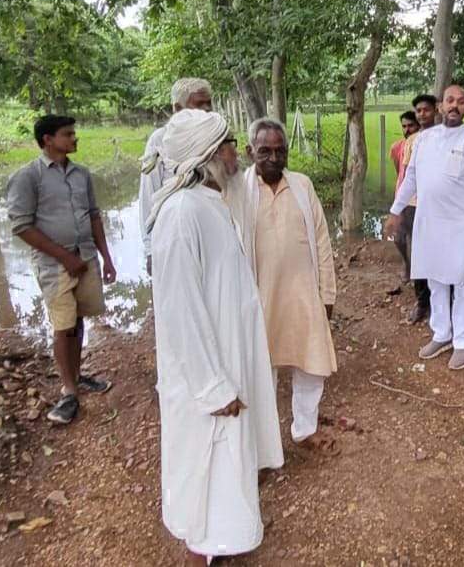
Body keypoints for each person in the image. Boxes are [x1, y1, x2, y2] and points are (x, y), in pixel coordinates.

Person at [144, 108, 283, 564]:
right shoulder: (182, 214)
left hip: (229, 355)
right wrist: (213, 387)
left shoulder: (212, 202)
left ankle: (233, 536)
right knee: (211, 457)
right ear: (206, 156)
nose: (234, 154)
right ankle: (212, 547)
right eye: (226, 146)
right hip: (209, 375)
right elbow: (179, 312)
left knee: (232, 456)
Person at [8, 115, 118, 425]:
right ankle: (68, 390)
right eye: (68, 134)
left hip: (85, 258)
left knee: (79, 319)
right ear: (48, 140)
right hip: (55, 266)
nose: (74, 138)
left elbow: (94, 216)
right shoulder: (28, 177)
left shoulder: (81, 174)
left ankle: (79, 375)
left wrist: (107, 258)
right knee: (63, 325)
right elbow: (22, 226)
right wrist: (64, 257)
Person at [237, 118, 339, 454]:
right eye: (264, 150)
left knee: (311, 363)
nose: (273, 157)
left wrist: (327, 294)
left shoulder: (302, 185)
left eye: (280, 151)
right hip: (259, 296)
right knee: (261, 373)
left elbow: (322, 241)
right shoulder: (237, 192)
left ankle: (305, 429)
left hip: (304, 294)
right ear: (250, 151)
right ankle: (263, 448)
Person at [388, 85, 464, 371]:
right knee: (435, 279)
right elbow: (410, 178)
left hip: (463, 224)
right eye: (450, 101)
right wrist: (395, 210)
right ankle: (442, 334)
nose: (455, 106)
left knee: (462, 282)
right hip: (429, 222)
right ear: (440, 106)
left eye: (461, 102)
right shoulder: (423, 140)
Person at [138, 77, 214, 255]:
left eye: (209, 103)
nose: (207, 109)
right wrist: (150, 250)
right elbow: (149, 196)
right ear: (177, 108)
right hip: (172, 240)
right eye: (200, 104)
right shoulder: (160, 141)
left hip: (208, 236)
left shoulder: (213, 140)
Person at [394, 94, 439, 325]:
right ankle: (422, 303)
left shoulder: (445, 137)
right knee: (419, 255)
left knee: (440, 255)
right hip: (415, 206)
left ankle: (443, 302)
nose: (422, 114)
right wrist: (398, 207)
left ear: (436, 111)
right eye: (419, 110)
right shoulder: (412, 141)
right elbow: (405, 176)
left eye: (426, 110)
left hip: (440, 207)